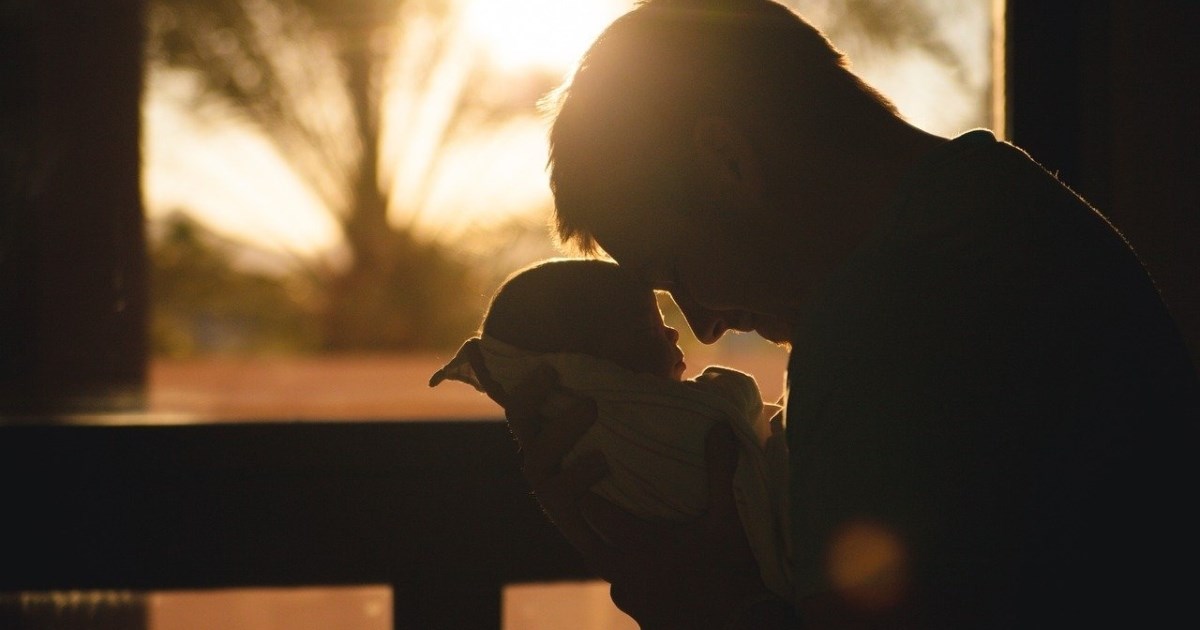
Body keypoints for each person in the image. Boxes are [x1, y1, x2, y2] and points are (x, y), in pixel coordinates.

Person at [492, 0, 1200, 628]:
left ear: (726, 162)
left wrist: (696, 599)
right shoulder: (1010, 208)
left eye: (674, 271)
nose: (703, 326)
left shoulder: (886, 316)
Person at [429, 258, 793, 599]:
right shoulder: (644, 422)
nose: (675, 332)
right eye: (647, 328)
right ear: (585, 369)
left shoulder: (576, 448)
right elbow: (735, 405)